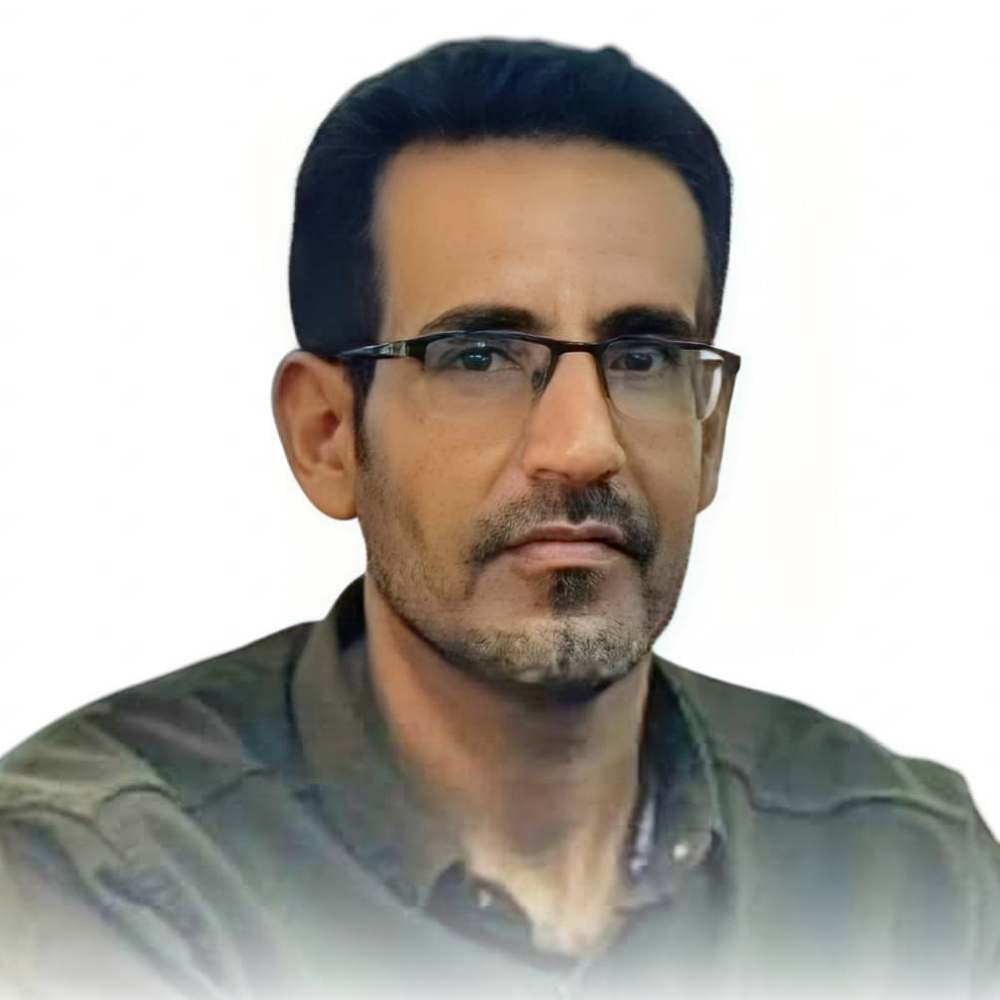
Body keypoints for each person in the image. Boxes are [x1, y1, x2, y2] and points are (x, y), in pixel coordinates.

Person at [0, 37, 996, 1000]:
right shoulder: (106, 879)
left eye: (643, 358)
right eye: (477, 357)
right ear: (327, 436)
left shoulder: (907, 877)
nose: (584, 445)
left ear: (710, 432)